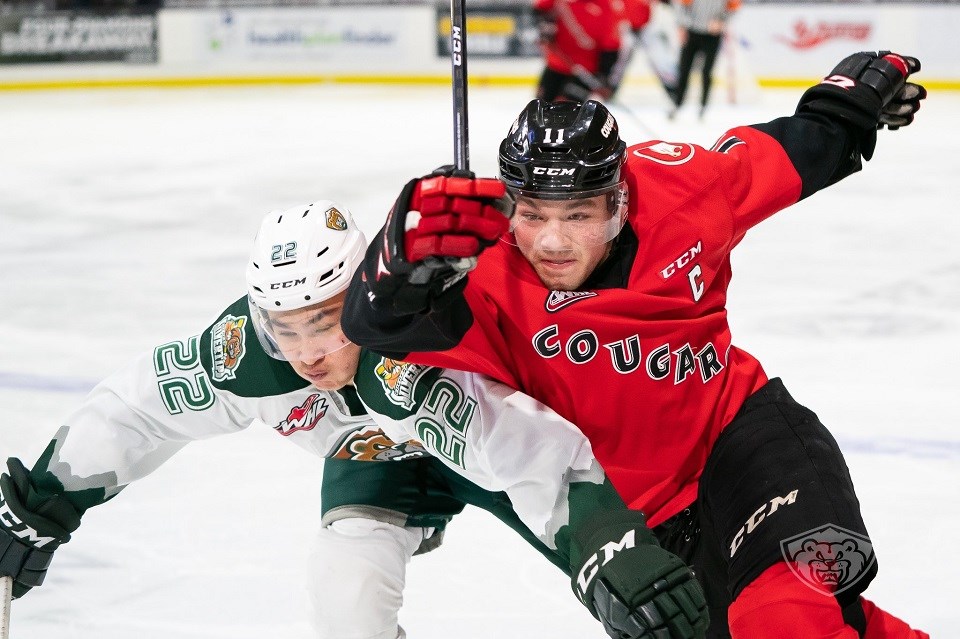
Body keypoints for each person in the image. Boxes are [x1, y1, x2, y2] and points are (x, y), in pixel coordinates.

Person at [342, 51, 929, 638]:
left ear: (618, 200)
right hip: (647, 525)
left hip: (746, 447)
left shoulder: (683, 190)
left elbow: (801, 147)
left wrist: (851, 105)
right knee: (839, 625)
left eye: (578, 215)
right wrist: (396, 268)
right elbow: (374, 333)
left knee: (785, 623)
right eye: (531, 214)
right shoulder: (480, 273)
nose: (551, 241)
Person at [0, 201, 707, 638]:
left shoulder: (408, 357)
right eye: (285, 330)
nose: (305, 353)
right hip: (377, 461)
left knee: (641, 596)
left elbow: (528, 453)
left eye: (324, 323)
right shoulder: (245, 357)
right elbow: (138, 408)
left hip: (488, 453)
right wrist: (46, 497)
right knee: (344, 594)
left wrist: (607, 545)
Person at [533, 0, 638, 102]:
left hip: (586, 70)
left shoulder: (610, 8)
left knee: (567, 110)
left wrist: (604, 77)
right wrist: (545, 25)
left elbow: (612, 48)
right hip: (556, 64)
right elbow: (541, 8)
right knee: (540, 108)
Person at [668, 0, 741, 119]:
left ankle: (703, 106)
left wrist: (722, 21)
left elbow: (734, 7)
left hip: (713, 35)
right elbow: (681, 6)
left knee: (707, 71)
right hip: (692, 31)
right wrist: (682, 25)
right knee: (684, 69)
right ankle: (677, 104)